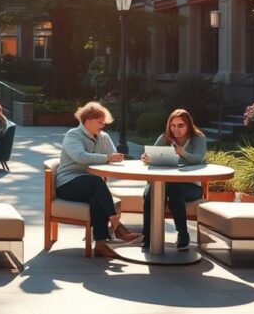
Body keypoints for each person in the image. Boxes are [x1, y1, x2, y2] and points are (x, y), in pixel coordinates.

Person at [55, 101, 141, 258]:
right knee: (96, 182)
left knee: (96, 200)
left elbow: (113, 157)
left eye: (104, 123)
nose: (102, 126)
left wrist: (114, 158)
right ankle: (117, 225)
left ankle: (101, 244)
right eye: (99, 122)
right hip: (68, 184)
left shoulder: (103, 137)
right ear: (87, 120)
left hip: (90, 186)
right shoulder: (73, 135)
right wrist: (107, 158)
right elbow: (80, 157)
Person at [140, 109, 207, 251]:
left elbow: (199, 160)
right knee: (151, 192)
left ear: (188, 125)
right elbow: (151, 155)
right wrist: (146, 158)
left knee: (173, 191)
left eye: (180, 125)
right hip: (165, 184)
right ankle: (148, 237)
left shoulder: (198, 138)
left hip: (191, 186)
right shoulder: (164, 138)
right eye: (173, 125)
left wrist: (182, 152)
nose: (176, 129)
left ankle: (183, 235)